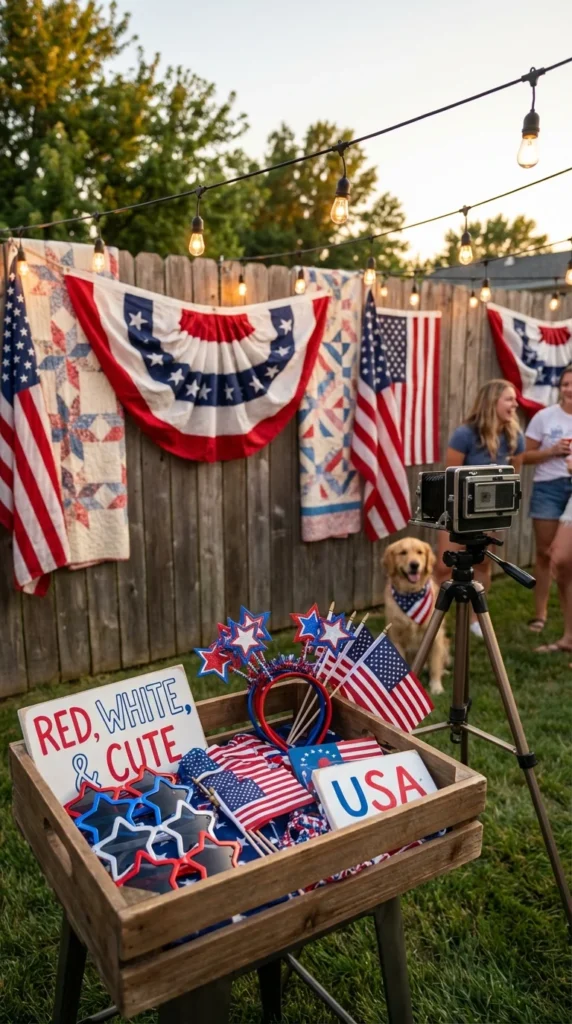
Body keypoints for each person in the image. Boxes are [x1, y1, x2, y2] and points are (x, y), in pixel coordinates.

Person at [433, 379, 525, 637]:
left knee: (482, 565)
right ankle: (431, 615)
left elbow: (512, 477)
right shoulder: (465, 434)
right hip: (455, 513)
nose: (515, 404)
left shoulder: (515, 437)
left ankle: (475, 619)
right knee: (443, 566)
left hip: (489, 515)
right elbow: (449, 477)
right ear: (492, 401)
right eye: (509, 399)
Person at [523, 364, 572, 652]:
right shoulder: (544, 417)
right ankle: (540, 614)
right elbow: (524, 456)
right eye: (565, 383)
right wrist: (551, 452)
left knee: (562, 556)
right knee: (545, 554)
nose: (569, 388)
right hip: (550, 488)